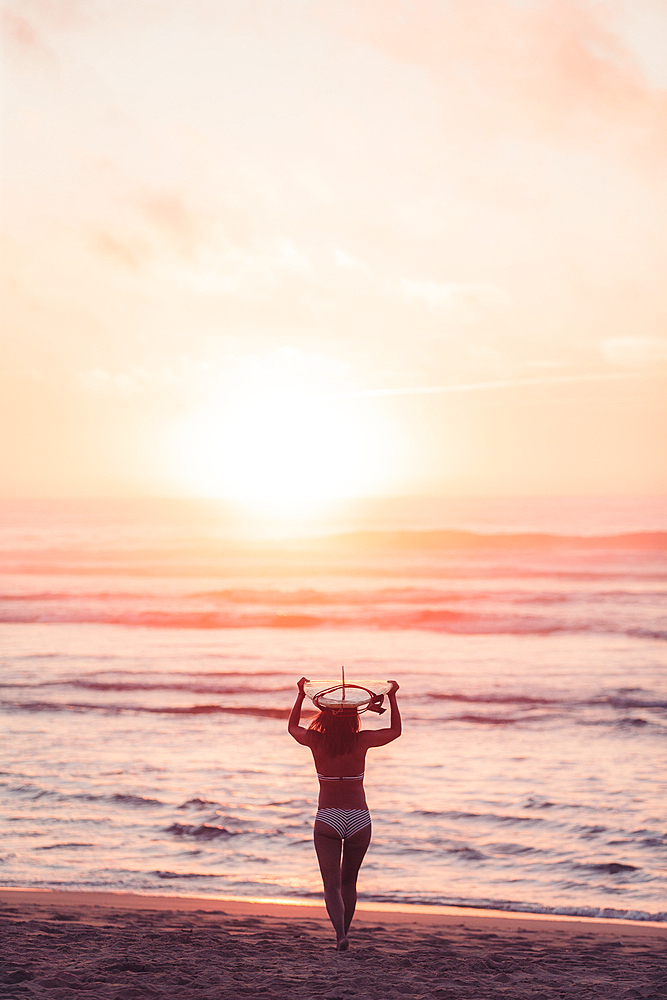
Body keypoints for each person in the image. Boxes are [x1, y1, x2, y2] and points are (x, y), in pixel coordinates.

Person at [288, 676, 401, 950]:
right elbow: (395, 731)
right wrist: (394, 697)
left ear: (325, 715)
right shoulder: (362, 740)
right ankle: (346, 932)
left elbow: (292, 727)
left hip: (328, 818)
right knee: (349, 882)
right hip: (359, 819)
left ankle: (340, 934)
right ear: (355, 718)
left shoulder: (315, 740)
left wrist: (301, 694)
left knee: (332, 885)